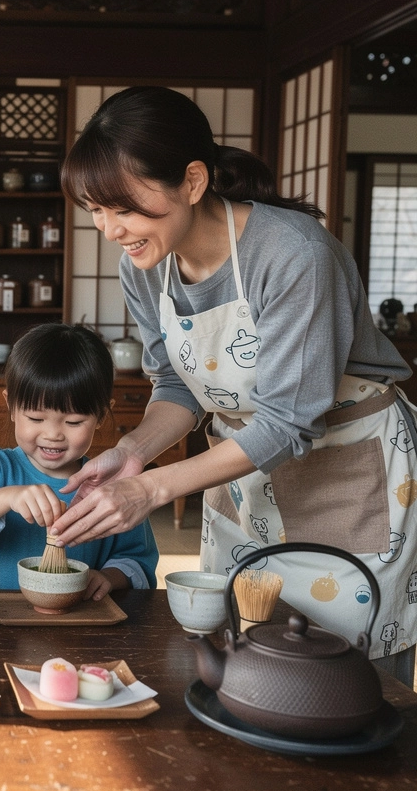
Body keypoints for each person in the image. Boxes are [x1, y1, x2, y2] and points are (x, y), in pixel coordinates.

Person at [52, 85, 417, 679]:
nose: (110, 228)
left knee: (348, 675)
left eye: (124, 207)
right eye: (95, 208)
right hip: (245, 478)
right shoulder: (145, 265)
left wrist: (151, 490)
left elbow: (287, 421)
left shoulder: (293, 253)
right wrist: (131, 454)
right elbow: (175, 385)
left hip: (349, 473)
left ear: (193, 182)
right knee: (237, 656)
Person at [0, 322, 158, 596]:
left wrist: (110, 577)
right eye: (36, 418)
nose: (53, 435)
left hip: (79, 627)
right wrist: (8, 497)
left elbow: (137, 559)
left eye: (73, 422)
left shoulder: (113, 486)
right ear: (11, 406)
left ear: (101, 415)